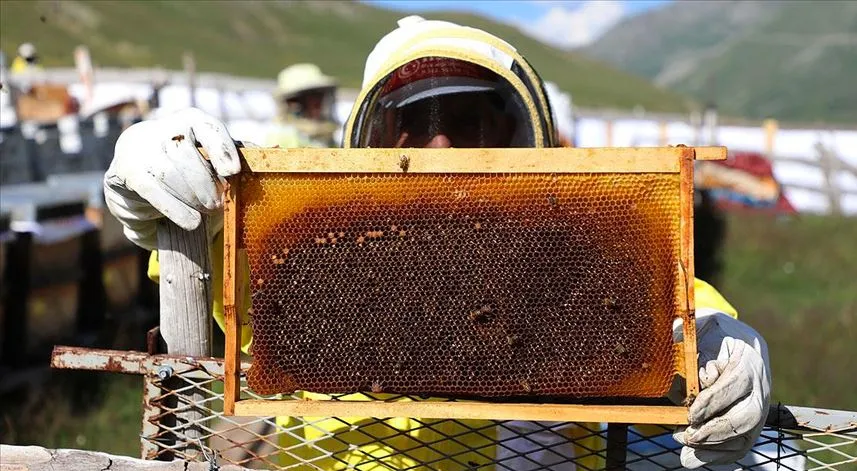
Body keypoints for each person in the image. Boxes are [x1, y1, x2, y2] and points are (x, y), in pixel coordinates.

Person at [103, 15, 772, 470]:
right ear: (369, 137)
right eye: (410, 122)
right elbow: (210, 247)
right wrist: (171, 185)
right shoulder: (310, 259)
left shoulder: (580, 262)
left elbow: (679, 300)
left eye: (471, 118)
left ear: (523, 136)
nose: (440, 144)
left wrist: (721, 337)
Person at [266, 62, 340, 148]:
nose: (317, 103)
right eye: (310, 96)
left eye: (319, 95)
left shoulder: (328, 138)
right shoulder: (281, 137)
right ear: (292, 102)